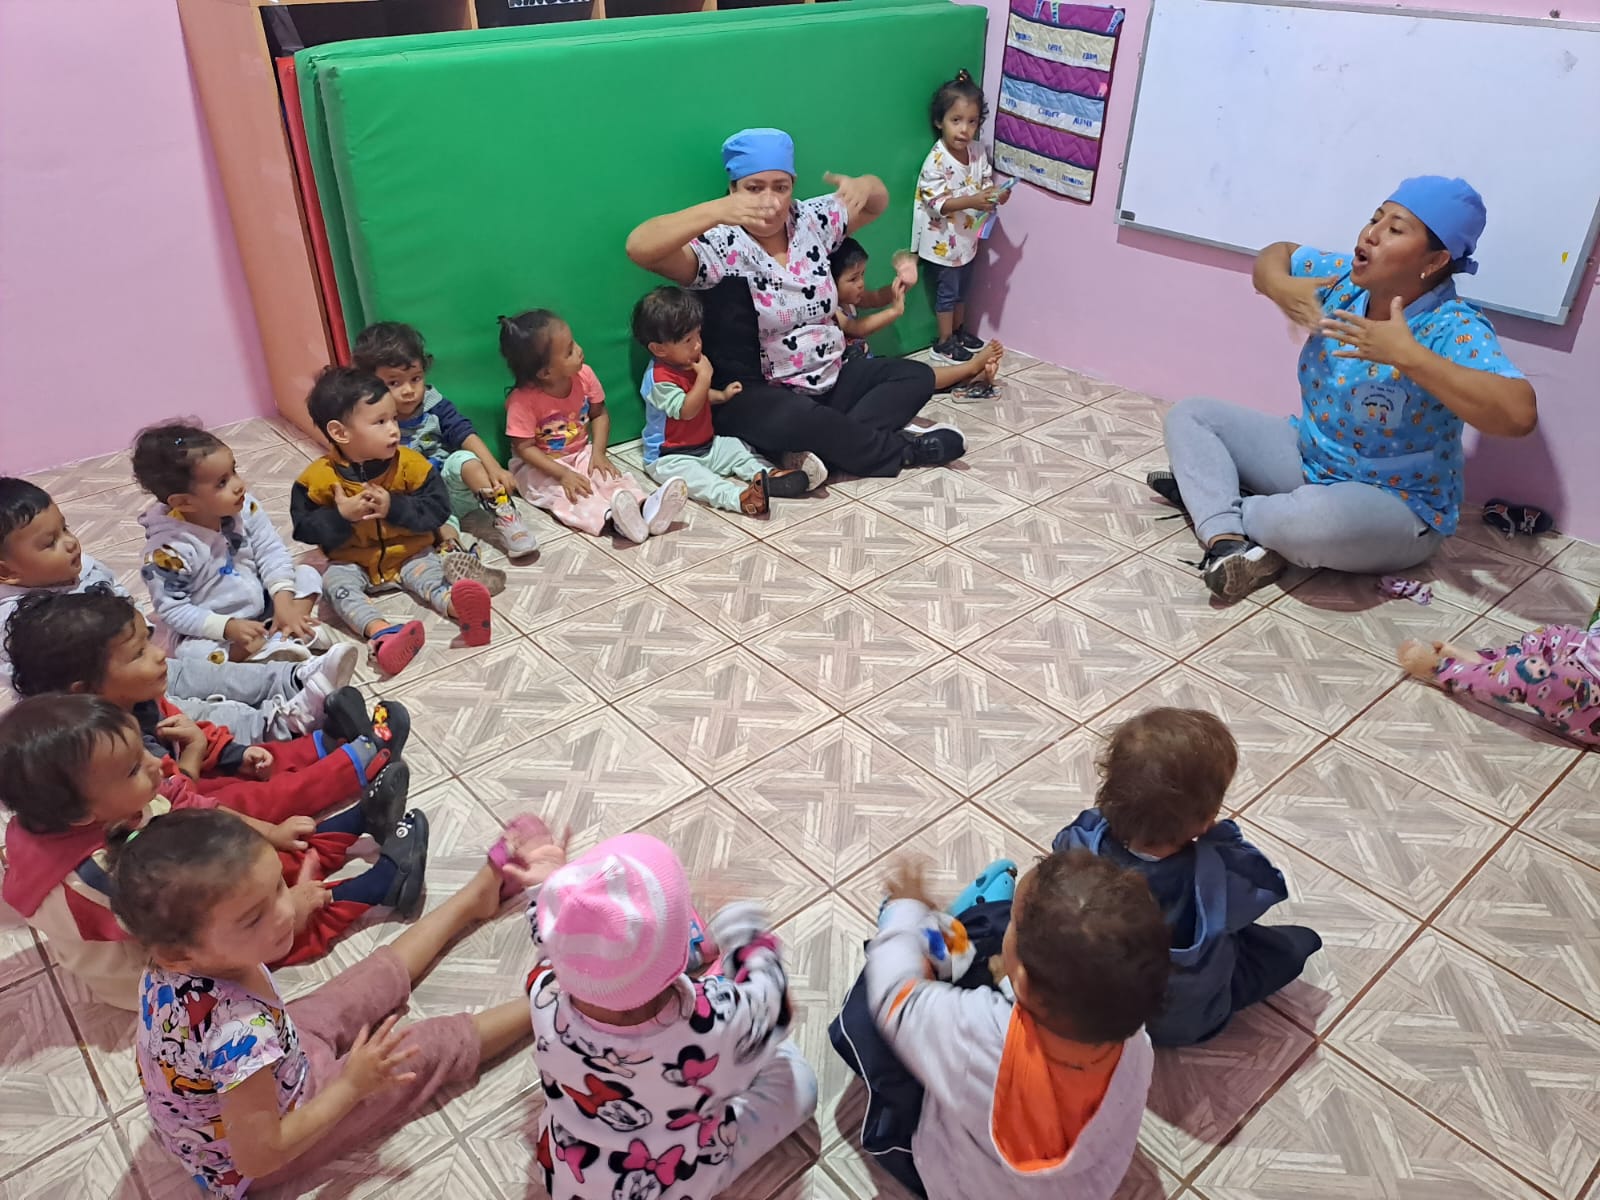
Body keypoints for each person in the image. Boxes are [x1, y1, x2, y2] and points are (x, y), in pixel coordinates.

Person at [118, 807, 557, 1195]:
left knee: (364, 983)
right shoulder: (236, 1035)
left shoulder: (177, 958)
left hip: (281, 1059)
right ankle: (553, 999)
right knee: (423, 1048)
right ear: (178, 952)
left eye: (277, 887)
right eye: (255, 917)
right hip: (270, 1141)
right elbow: (259, 1156)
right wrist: (351, 1086)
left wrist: (286, 903)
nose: (283, 913)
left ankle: (471, 902)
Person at [1150, 176, 1538, 600]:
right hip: (1310, 460)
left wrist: (1411, 356)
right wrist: (1279, 285)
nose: (1371, 234)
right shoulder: (1345, 281)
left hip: (1396, 505)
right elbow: (1277, 254)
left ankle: (1219, 502)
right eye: (1375, 219)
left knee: (1311, 525)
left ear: (1435, 260)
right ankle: (1227, 540)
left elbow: (1519, 414)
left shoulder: (1453, 325)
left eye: (1395, 229)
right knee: (1192, 415)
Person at [0, 694, 425, 1010]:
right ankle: (381, 886)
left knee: (247, 866)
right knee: (267, 928)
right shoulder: (91, 882)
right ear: (80, 815)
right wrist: (290, 908)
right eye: (132, 768)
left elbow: (190, 804)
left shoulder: (105, 806)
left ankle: (355, 823)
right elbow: (201, 932)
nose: (154, 763)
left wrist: (271, 833)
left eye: (141, 749)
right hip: (163, 969)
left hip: (176, 897)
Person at [625, 127, 961, 477]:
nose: (770, 201)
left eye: (781, 187)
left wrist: (865, 185)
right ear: (733, 189)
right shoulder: (720, 243)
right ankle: (900, 452)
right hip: (760, 394)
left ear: (793, 185)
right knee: (798, 418)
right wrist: (717, 211)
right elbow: (639, 247)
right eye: (754, 188)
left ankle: (826, 445)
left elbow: (877, 201)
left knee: (915, 375)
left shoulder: (809, 220)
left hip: (831, 376)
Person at [858, 851, 1167, 1200]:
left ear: (1023, 979)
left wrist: (904, 911)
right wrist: (1011, 982)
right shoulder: (1136, 1043)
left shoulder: (977, 1037)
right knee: (983, 938)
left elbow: (895, 998)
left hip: (963, 1184)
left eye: (1013, 921)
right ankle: (969, 924)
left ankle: (959, 922)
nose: (1011, 925)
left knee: (866, 1014)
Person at [528, 833, 817, 1200]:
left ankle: (666, 960)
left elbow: (545, 937)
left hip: (571, 1175)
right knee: (797, 1079)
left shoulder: (541, 989)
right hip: (675, 1180)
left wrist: (547, 886)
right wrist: (741, 924)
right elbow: (775, 1007)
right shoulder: (715, 1021)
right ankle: (689, 958)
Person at [6, 586, 409, 828]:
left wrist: (232, 753)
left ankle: (327, 740)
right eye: (139, 653)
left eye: (148, 642)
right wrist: (196, 756)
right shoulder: (105, 755)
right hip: (180, 815)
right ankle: (354, 766)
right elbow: (174, 806)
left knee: (255, 755)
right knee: (250, 800)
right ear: (87, 689)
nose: (159, 655)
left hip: (186, 777)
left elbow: (189, 732)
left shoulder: (134, 699)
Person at [1053, 708, 1321, 1046]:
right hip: (1179, 1023)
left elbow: (1057, 857)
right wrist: (1223, 839)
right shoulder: (1217, 872)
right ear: (1206, 819)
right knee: (1293, 947)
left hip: (1099, 1011)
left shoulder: (1082, 840)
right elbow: (1262, 887)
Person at [0, 477, 354, 720]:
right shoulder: (14, 626)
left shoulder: (84, 566)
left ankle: (294, 676)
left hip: (141, 661)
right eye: (49, 543)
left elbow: (121, 599)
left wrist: (141, 635)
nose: (70, 543)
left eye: (65, 528)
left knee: (208, 675)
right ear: (7, 572)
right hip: (112, 703)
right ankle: (280, 720)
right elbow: (40, 689)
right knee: (195, 714)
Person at [291, 366, 493, 675]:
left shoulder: (412, 464)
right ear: (340, 433)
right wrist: (341, 516)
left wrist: (394, 507)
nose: (394, 430)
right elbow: (304, 528)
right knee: (336, 586)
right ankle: (383, 633)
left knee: (431, 576)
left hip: (410, 552)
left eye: (394, 419)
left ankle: (461, 609)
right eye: (380, 422)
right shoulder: (317, 479)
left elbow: (438, 509)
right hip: (352, 561)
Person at [132, 422, 329, 664]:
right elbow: (174, 611)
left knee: (307, 573)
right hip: (218, 627)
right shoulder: (167, 552)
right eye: (222, 483)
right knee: (190, 655)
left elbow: (271, 552)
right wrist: (227, 627)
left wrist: (283, 601)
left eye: (234, 471)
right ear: (184, 503)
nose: (239, 485)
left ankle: (284, 631)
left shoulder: (245, 507)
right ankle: (283, 639)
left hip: (264, 602)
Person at [352, 321, 540, 560]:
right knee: (438, 523)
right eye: (394, 383)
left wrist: (494, 468)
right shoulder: (370, 420)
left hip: (453, 487)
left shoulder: (433, 404)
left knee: (465, 459)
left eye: (416, 378)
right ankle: (454, 551)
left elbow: (464, 432)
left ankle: (505, 515)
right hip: (418, 500)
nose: (409, 390)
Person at [500, 309, 688, 542]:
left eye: (574, 342)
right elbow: (524, 448)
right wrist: (563, 474)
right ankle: (613, 520)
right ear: (546, 372)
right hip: (539, 466)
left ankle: (647, 507)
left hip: (581, 452)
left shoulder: (585, 375)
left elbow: (599, 414)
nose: (579, 350)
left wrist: (598, 453)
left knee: (610, 478)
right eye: (569, 351)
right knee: (571, 495)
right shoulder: (522, 401)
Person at [632, 285, 813, 517]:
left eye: (698, 334)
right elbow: (687, 409)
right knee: (701, 481)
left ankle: (768, 475)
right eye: (688, 340)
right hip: (670, 457)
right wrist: (705, 377)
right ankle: (739, 499)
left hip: (707, 446)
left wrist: (722, 395)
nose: (698, 344)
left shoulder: (687, 363)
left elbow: (699, 396)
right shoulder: (658, 380)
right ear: (659, 349)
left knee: (737, 448)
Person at [912, 70, 1012, 365]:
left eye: (972, 122)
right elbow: (937, 204)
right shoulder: (936, 160)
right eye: (956, 120)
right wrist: (974, 200)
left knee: (962, 291)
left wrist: (996, 195)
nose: (964, 130)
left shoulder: (977, 152)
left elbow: (984, 184)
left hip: (968, 239)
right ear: (939, 121)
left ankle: (958, 332)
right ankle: (943, 343)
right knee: (947, 293)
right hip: (943, 243)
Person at [830, 237, 1003, 397]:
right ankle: (971, 369)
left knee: (913, 375)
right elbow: (857, 329)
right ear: (829, 281)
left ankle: (970, 380)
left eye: (862, 275)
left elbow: (876, 297)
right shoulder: (832, 310)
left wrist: (904, 285)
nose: (861, 283)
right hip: (855, 380)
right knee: (912, 377)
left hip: (870, 369)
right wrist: (894, 312)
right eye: (853, 279)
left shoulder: (851, 299)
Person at [1399, 610, 1600, 744]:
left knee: (1536, 674)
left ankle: (1444, 672)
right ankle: (1483, 662)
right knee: (1551, 636)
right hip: (1584, 653)